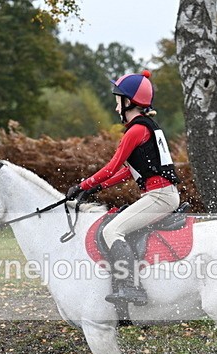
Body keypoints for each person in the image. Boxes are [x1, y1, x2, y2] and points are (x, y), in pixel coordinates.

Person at [66, 70, 180, 306]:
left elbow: (111, 167)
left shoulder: (136, 130)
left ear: (129, 101)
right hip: (161, 194)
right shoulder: (147, 127)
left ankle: (131, 288)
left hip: (160, 197)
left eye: (118, 102)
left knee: (112, 231)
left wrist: (83, 185)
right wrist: (98, 188)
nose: (117, 108)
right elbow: (129, 170)